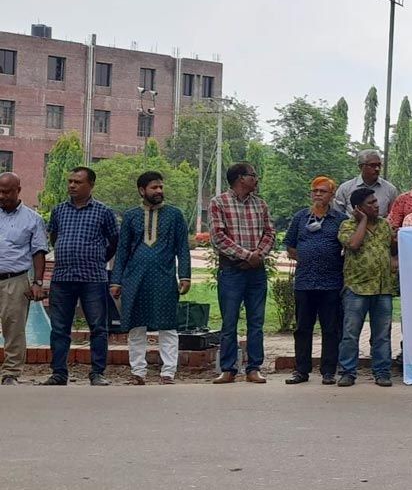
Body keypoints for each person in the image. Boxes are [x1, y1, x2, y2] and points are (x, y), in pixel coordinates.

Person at [111, 171, 191, 385]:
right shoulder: (130, 216)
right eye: (154, 187)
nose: (159, 191)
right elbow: (122, 250)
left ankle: (168, 372)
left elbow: (182, 248)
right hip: (134, 279)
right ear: (141, 190)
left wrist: (185, 275)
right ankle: (138, 371)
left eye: (161, 187)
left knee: (168, 326)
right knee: (136, 326)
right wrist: (116, 280)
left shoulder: (175, 215)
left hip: (164, 278)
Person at [43, 167, 119, 386]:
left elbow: (114, 241)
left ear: (91, 185)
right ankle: (59, 373)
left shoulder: (103, 211)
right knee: (59, 327)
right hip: (63, 277)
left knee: (98, 327)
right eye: (70, 181)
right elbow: (54, 236)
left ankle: (97, 373)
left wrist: (97, 258)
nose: (72, 186)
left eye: (77, 182)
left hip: (93, 278)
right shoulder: (59, 210)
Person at [209, 162, 275, 384]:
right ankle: (228, 369)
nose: (256, 179)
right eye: (253, 175)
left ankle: (254, 368)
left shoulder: (261, 204)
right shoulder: (219, 203)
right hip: (232, 271)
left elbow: (270, 233)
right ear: (240, 178)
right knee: (229, 321)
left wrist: (258, 254)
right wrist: (247, 255)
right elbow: (218, 237)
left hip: (256, 271)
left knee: (256, 321)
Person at [283, 176, 347, 385]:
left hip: (331, 283)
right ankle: (301, 370)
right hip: (304, 283)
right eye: (315, 191)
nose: (318, 194)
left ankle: (328, 371)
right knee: (302, 328)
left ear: (332, 195)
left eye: (323, 191)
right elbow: (290, 247)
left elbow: (347, 247)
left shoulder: (340, 219)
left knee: (330, 329)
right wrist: (309, 258)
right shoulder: (301, 217)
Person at [337, 188, 397, 387]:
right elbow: (353, 245)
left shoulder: (385, 225)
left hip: (382, 288)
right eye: (370, 203)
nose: (376, 205)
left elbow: (392, 249)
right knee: (351, 334)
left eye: (376, 201)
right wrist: (362, 221)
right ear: (358, 208)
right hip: (357, 288)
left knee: (382, 334)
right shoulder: (347, 225)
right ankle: (348, 372)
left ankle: (382, 372)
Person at [0, 173, 48, 385]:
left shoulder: (33, 219)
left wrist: (37, 282)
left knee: (14, 328)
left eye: (7, 191)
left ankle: (10, 373)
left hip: (15, 280)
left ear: (18, 190)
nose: (2, 195)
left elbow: (39, 252)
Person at [334, 149, 399, 217]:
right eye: (372, 165)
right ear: (361, 167)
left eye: (379, 165)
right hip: (351, 226)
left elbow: (393, 217)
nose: (377, 169)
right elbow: (337, 215)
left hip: (380, 226)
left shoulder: (390, 190)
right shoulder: (345, 188)